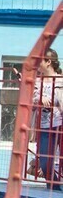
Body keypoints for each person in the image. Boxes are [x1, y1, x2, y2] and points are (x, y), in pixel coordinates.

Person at [33, 49, 62, 188]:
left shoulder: (61, 80)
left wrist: (52, 100)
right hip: (44, 126)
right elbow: (30, 98)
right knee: (45, 163)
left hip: (60, 124)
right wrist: (40, 98)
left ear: (49, 62)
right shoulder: (37, 81)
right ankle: (55, 190)